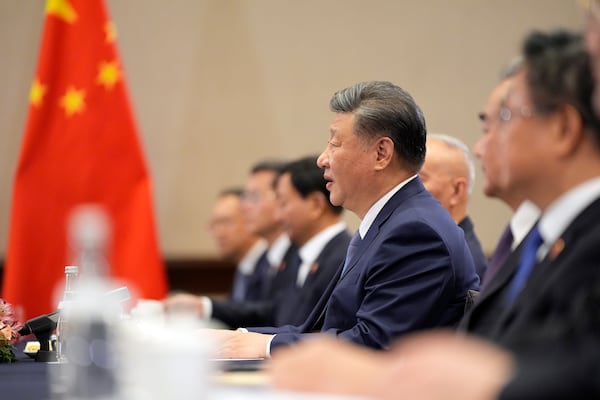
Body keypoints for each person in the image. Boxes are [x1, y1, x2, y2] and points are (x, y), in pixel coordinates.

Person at [267, 28, 600, 399]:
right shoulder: (545, 237)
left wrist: (478, 383)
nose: (480, 145)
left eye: (503, 118)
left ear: (564, 128)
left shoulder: (580, 238)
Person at [208, 80, 479, 358]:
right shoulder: (390, 222)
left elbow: (375, 343)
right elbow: (321, 329)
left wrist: (265, 346)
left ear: (381, 153)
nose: (322, 159)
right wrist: (240, 338)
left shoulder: (417, 232)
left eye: (335, 143)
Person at [166, 156, 351, 328]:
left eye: (283, 203)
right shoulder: (303, 257)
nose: (278, 215)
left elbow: (321, 334)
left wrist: (248, 340)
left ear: (315, 205)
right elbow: (276, 314)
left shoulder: (342, 257)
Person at [419, 133, 488, 279]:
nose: (407, 188)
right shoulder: (434, 249)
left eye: (419, 179)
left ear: (457, 191)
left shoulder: (459, 262)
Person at [207, 188, 268, 302]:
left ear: (250, 219)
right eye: (215, 223)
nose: (219, 232)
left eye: (225, 221)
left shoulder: (270, 267)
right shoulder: (243, 268)